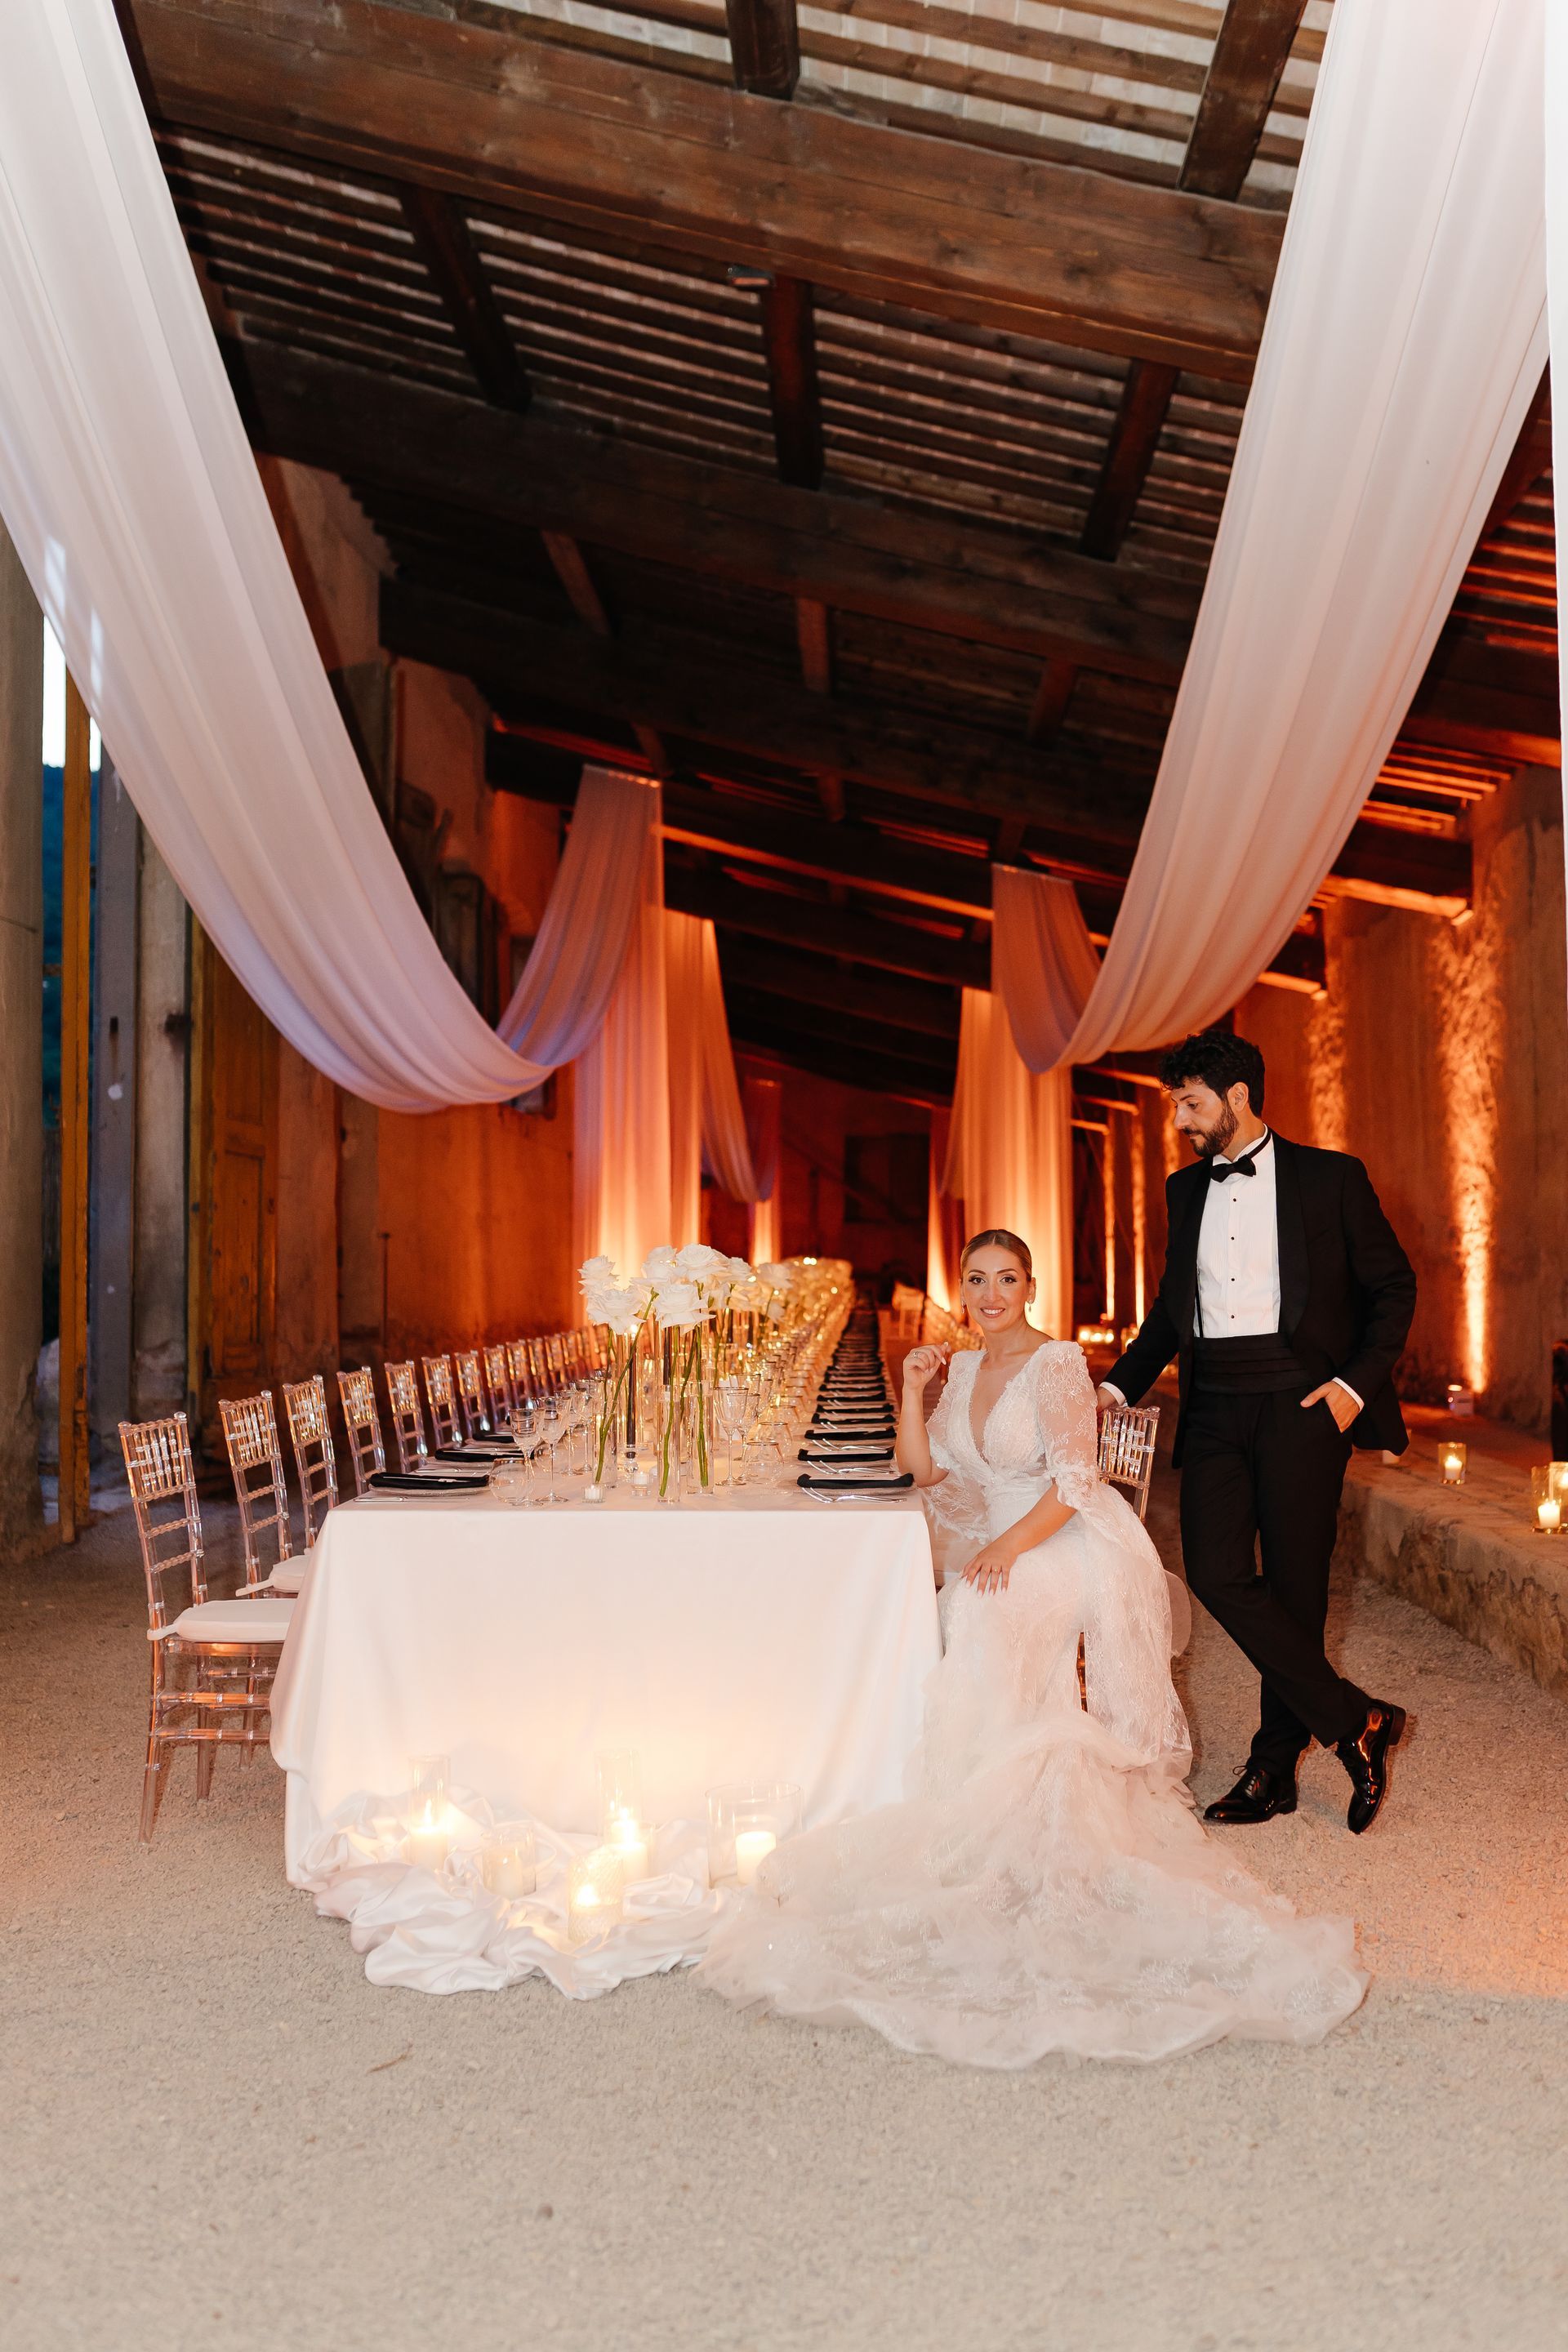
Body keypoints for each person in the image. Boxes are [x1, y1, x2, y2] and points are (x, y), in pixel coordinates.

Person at [697, 1230, 1367, 2068]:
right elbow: (923, 1473)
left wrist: (1009, 1550)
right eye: (976, 1279)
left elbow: (1077, 1483)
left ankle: (987, 1801)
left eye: (1006, 1278)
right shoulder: (966, 1369)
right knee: (922, 1601)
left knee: (981, 1610)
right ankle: (976, 1789)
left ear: (1030, 1285)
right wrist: (912, 1388)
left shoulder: (1057, 1364)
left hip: (1064, 1539)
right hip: (995, 1530)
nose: (989, 1293)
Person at [1098, 1027, 1416, 1834]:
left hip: (1303, 1405)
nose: (1180, 1119)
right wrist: (1113, 1385)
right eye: (1177, 1102)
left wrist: (1352, 1387)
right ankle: (1357, 1721)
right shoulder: (1183, 1190)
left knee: (1298, 1590)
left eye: (1190, 1102)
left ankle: (1272, 1771)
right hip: (1213, 1407)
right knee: (1213, 1568)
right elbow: (1173, 1313)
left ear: (1237, 1098)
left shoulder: (1331, 1179)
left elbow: (1393, 1287)